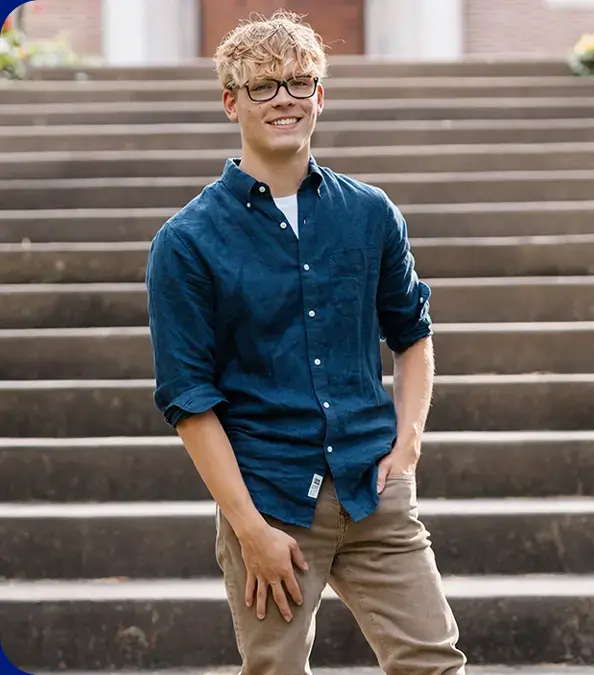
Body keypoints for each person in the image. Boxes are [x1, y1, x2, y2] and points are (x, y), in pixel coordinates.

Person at [144, 10, 467, 675]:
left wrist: (405, 447)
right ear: (230, 101)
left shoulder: (370, 212)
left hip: (373, 490)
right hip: (270, 501)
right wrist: (249, 528)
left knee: (433, 661)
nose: (284, 97)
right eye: (263, 86)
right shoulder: (187, 241)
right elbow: (188, 398)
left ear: (320, 94)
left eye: (300, 82)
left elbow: (412, 335)